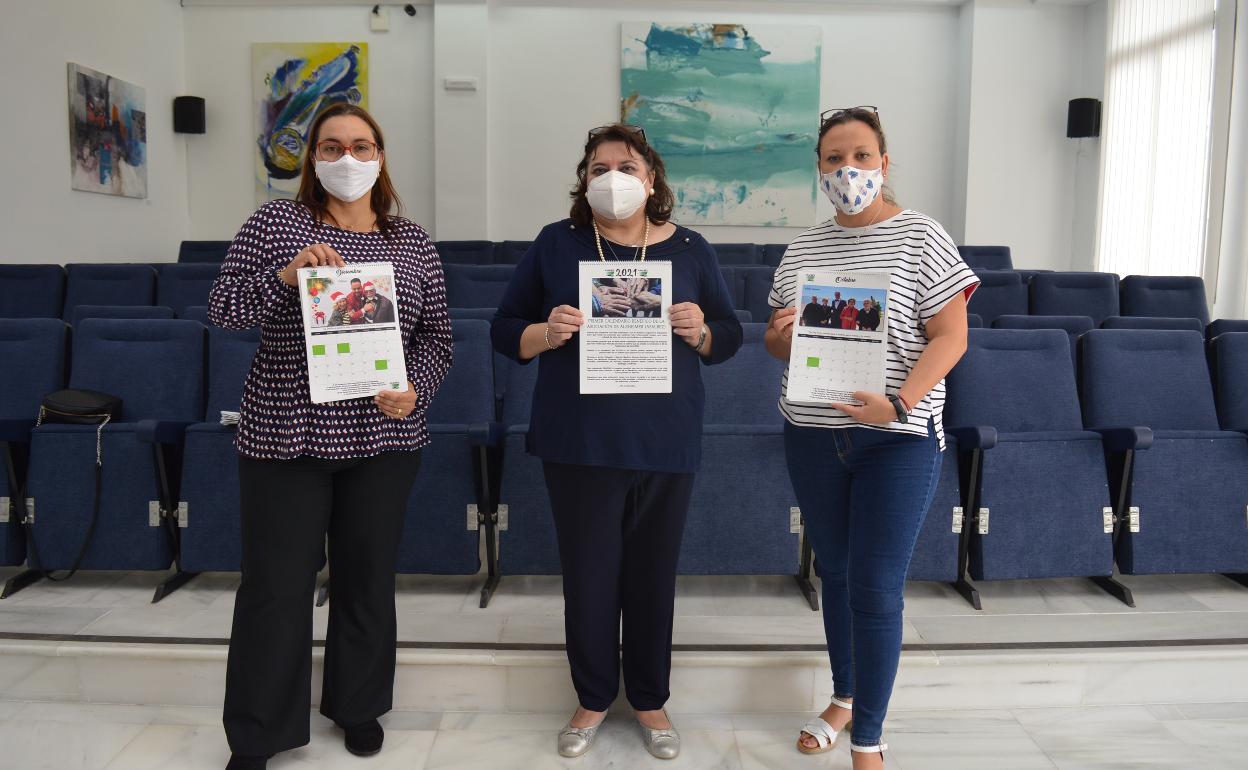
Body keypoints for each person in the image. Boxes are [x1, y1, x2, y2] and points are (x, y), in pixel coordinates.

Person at [209, 102, 454, 770]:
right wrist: (286, 277)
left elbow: (437, 338)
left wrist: (417, 389)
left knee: (366, 581)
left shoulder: (412, 241)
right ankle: (257, 733)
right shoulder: (275, 223)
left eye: (361, 146)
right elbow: (223, 308)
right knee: (275, 588)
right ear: (312, 157)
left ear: (381, 156)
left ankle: (358, 705)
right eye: (332, 146)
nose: (348, 158)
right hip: (286, 436)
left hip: (384, 438)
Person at [491, 123, 742, 761]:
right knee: (589, 577)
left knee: (653, 577)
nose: (612, 178)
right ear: (584, 180)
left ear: (651, 180)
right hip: (579, 440)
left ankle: (651, 699)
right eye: (599, 168)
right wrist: (546, 332)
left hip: (666, 438)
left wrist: (699, 331)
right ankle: (594, 697)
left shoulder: (690, 249)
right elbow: (504, 328)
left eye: (627, 167)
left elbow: (730, 337)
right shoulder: (557, 242)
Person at [763, 106, 977, 769]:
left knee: (877, 587)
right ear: (819, 169)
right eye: (834, 158)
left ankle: (868, 741)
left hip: (898, 440)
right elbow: (775, 342)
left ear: (884, 163)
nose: (848, 169)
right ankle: (845, 696)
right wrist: (784, 336)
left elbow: (952, 336)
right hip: (813, 435)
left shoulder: (922, 235)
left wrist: (901, 402)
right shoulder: (803, 249)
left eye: (861, 156)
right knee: (836, 572)